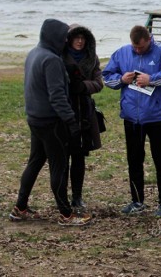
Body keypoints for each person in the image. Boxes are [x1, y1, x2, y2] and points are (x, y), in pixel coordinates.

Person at [10, 18, 93, 226]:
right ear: (54, 37)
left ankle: (20, 207)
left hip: (34, 119)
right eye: (64, 37)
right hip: (51, 122)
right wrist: (71, 121)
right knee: (60, 166)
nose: (66, 40)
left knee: (35, 162)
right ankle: (66, 214)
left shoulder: (33, 53)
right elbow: (57, 96)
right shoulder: (52, 60)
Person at [102, 25, 161, 218]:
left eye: (141, 47)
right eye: (135, 47)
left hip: (157, 117)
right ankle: (137, 200)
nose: (138, 50)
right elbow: (106, 77)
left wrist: (152, 79)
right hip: (132, 118)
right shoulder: (122, 53)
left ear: (149, 40)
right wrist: (121, 79)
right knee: (134, 160)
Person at [63, 24, 104, 210]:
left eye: (82, 38)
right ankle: (61, 195)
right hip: (64, 109)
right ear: (70, 39)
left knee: (79, 157)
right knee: (62, 156)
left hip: (84, 112)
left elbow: (98, 83)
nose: (79, 41)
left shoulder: (91, 58)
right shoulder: (60, 57)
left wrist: (83, 87)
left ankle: (77, 196)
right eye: (76, 37)